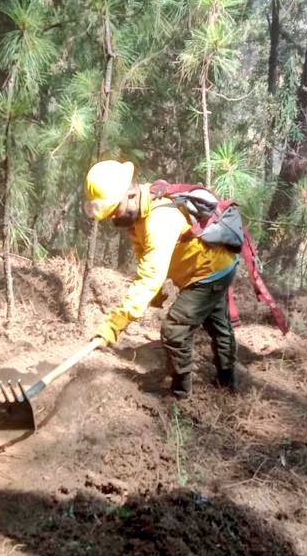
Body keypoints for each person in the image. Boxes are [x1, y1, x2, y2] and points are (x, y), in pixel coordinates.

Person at [84, 159, 239, 397]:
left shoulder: (158, 220)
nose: (113, 217)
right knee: (217, 324)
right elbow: (145, 255)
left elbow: (149, 277)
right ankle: (229, 385)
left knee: (174, 328)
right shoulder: (138, 214)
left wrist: (113, 325)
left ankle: (180, 396)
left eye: (115, 209)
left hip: (209, 271)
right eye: (109, 213)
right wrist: (155, 294)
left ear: (132, 193)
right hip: (208, 266)